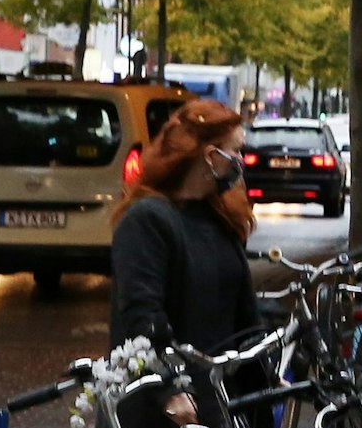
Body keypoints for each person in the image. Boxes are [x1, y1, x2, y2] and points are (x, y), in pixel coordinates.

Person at [110, 98, 260, 351]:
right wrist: (169, 387)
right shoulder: (147, 221)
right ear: (211, 157)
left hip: (221, 386)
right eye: (235, 151)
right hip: (174, 384)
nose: (241, 161)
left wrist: (266, 376)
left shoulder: (220, 215)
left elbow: (244, 315)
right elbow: (142, 316)